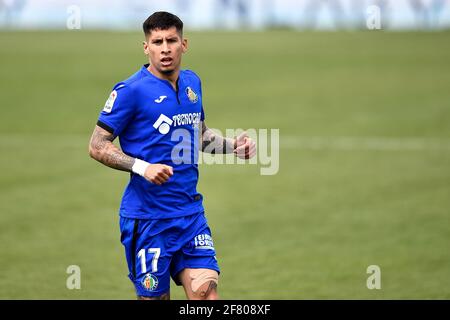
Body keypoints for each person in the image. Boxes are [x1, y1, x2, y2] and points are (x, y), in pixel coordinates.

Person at [88, 11, 256, 300]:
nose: (165, 48)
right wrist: (143, 167)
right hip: (148, 220)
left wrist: (232, 146)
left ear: (184, 44)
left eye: (171, 40)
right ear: (146, 47)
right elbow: (97, 145)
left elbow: (199, 135)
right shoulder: (131, 91)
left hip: (190, 214)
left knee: (206, 294)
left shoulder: (193, 83)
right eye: (157, 42)